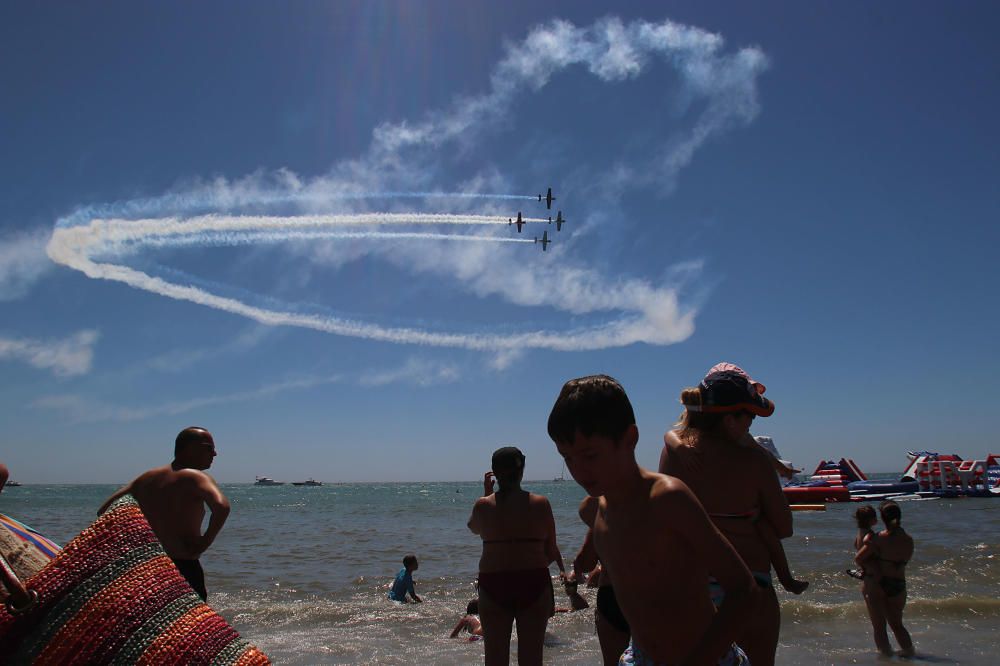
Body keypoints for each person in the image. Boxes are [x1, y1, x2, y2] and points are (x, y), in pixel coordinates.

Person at [549, 375, 755, 665]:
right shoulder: (595, 511)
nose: (578, 470)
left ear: (630, 439)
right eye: (567, 457)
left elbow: (743, 590)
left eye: (590, 455)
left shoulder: (667, 498)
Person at [659, 363, 796, 666]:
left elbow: (666, 517)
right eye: (748, 416)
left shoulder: (676, 451)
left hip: (693, 590)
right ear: (731, 419)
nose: (751, 424)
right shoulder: (754, 460)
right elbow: (784, 527)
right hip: (750, 585)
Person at [98, 426, 229, 601]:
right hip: (183, 567)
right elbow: (222, 507)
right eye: (209, 448)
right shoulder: (195, 477)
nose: (214, 454)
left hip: (148, 568)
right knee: (189, 626)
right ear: (189, 449)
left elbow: (104, 512)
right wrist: (204, 542)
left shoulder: (146, 478)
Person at [467, 446, 566, 666]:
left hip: (494, 584)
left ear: (494, 472)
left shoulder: (483, 506)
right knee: (531, 659)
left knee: (495, 659)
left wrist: (487, 494)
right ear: (522, 470)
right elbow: (551, 551)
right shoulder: (541, 504)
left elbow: (474, 528)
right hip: (533, 581)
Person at [570, 495, 629, 666]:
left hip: (612, 592)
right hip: (647, 592)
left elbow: (586, 562)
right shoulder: (652, 496)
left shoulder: (600, 505)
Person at [856, 500, 915, 658]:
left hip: (877, 585)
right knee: (897, 625)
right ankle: (910, 656)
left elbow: (859, 558)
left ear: (882, 519)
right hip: (898, 585)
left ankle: (886, 658)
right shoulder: (908, 539)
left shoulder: (877, 539)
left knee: (879, 627)